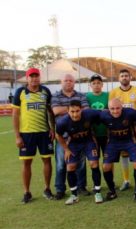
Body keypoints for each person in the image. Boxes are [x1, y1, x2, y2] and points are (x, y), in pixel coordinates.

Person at [12, 68, 55, 203]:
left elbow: (50, 112)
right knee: (26, 163)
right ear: (27, 78)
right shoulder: (20, 92)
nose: (34, 79)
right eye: (32, 76)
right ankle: (27, 192)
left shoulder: (45, 91)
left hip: (44, 133)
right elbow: (15, 115)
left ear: (39, 78)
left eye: (36, 76)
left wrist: (52, 128)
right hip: (26, 134)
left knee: (47, 161)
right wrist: (18, 136)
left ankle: (47, 189)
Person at [55, 100, 103, 205]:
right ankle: (74, 195)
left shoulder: (89, 113)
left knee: (94, 164)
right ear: (68, 111)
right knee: (70, 167)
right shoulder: (62, 122)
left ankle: (97, 192)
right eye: (72, 111)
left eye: (77, 111)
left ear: (81, 110)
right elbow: (58, 135)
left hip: (88, 141)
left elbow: (103, 112)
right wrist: (66, 149)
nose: (75, 114)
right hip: (74, 144)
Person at [51, 74, 89, 200]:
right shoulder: (55, 96)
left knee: (81, 163)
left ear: (74, 82)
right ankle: (60, 189)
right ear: (61, 82)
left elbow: (86, 110)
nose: (68, 82)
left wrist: (69, 109)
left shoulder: (81, 95)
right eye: (65, 80)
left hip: (79, 136)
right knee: (61, 164)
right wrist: (74, 108)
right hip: (63, 137)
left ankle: (81, 187)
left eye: (71, 80)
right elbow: (55, 111)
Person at [99, 99, 136, 201]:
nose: (115, 111)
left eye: (118, 108)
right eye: (112, 109)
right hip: (113, 142)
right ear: (108, 109)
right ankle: (112, 191)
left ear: (122, 107)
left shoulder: (130, 112)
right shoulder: (103, 115)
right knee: (106, 166)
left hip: (129, 141)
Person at [109, 69, 136, 192]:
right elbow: (111, 110)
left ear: (130, 77)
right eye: (122, 75)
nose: (124, 77)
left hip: (134, 128)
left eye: (126, 76)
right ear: (119, 78)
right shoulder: (113, 92)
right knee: (124, 154)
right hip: (120, 128)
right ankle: (126, 180)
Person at [86, 74, 109, 158]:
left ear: (102, 84)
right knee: (94, 159)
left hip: (106, 133)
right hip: (92, 134)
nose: (96, 85)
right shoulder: (87, 97)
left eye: (98, 83)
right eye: (94, 83)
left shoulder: (108, 95)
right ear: (90, 85)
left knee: (108, 159)